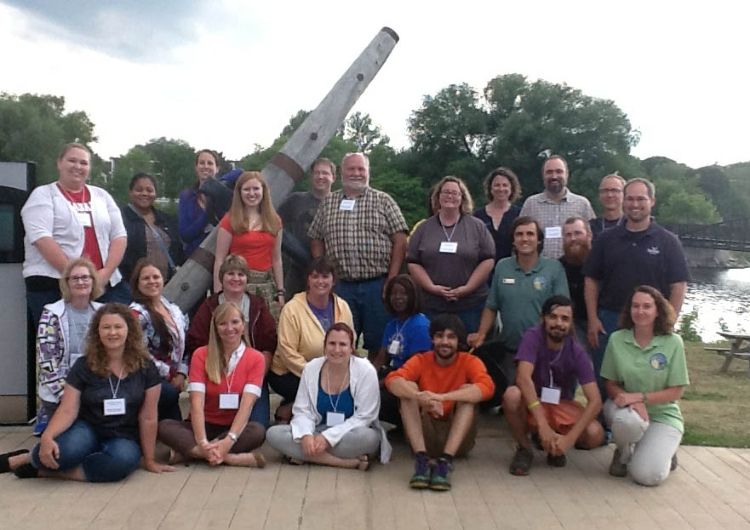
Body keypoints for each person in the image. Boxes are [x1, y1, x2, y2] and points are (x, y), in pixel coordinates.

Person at [0, 304, 173, 481]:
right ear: (97, 332)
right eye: (106, 327)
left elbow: (148, 416)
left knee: (122, 462)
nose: (112, 333)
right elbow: (67, 409)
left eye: (118, 327)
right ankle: (29, 457)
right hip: (87, 428)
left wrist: (150, 460)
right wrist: (47, 437)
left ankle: (46, 472)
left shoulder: (146, 367)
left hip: (124, 434)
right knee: (63, 452)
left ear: (130, 330)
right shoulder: (84, 365)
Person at [584, 178, 689, 401]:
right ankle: (604, 430)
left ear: (652, 201)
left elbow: (678, 285)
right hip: (610, 320)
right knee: (606, 380)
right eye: (630, 198)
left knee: (648, 378)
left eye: (641, 199)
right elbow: (591, 280)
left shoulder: (668, 241)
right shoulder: (605, 239)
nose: (634, 204)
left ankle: (647, 426)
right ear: (623, 201)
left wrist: (669, 321)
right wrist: (593, 319)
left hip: (650, 322)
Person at [309, 152, 408, 358]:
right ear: (342, 172)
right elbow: (316, 237)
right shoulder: (328, 203)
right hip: (341, 285)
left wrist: (392, 279)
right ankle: (346, 383)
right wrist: (322, 270)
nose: (356, 173)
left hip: (377, 285)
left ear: (368, 172)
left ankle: (374, 382)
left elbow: (400, 239)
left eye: (361, 169)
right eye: (351, 169)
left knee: (379, 340)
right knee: (341, 340)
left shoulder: (384, 200)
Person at [22, 142, 128, 328]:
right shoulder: (43, 195)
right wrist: (77, 277)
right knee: (58, 344)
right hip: (53, 284)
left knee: (111, 340)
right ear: (59, 163)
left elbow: (119, 236)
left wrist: (104, 274)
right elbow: (41, 237)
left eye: (84, 163)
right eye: (72, 161)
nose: (78, 167)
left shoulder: (102, 196)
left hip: (104, 285)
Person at [385, 314, 495, 491]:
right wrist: (420, 396)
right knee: (408, 389)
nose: (445, 342)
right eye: (439, 336)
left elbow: (487, 387)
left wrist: (442, 398)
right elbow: (392, 380)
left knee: (469, 394)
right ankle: (421, 460)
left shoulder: (469, 361)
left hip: (458, 439)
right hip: (425, 435)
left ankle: (446, 461)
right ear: (432, 339)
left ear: (458, 341)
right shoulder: (421, 360)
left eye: (451, 337)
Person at [469, 216, 569, 404]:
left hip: (543, 351)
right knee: (512, 398)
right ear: (513, 240)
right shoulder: (502, 266)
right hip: (511, 350)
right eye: (519, 234)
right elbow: (492, 306)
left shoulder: (554, 268)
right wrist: (481, 334)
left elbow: (562, 308)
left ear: (539, 239)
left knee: (543, 400)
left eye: (530, 234)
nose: (525, 239)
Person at [266, 322, 390, 469]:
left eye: (343, 344)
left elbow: (365, 416)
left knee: (369, 438)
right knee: (274, 434)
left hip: (350, 433)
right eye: (332, 343)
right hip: (317, 430)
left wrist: (328, 438)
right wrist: (306, 436)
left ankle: (302, 455)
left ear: (352, 348)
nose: (337, 350)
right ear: (325, 347)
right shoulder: (311, 368)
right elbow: (302, 410)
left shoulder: (365, 371)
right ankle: (346, 462)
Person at [503, 296, 603, 476]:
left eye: (565, 319)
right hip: (532, 403)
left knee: (595, 434)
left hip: (559, 404)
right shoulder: (532, 337)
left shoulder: (576, 351)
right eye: (553, 317)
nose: (559, 323)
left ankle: (555, 444)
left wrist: (569, 440)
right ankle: (525, 448)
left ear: (571, 324)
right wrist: (542, 425)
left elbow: (595, 401)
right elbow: (523, 378)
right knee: (512, 395)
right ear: (543, 319)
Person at [158, 303, 267, 467]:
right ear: (215, 328)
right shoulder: (201, 354)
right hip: (202, 425)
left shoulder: (256, 358)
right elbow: (196, 403)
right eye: (223, 323)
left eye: (235, 322)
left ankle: (192, 454)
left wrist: (229, 441)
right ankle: (230, 458)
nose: (229, 328)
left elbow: (247, 405)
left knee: (257, 431)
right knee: (164, 426)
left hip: (233, 427)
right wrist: (202, 441)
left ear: (243, 326)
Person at [601, 286, 689, 486]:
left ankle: (665, 451)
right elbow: (610, 383)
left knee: (647, 476)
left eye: (647, 306)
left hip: (663, 415)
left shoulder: (673, 342)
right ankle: (623, 454)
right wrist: (626, 399)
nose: (640, 311)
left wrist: (640, 398)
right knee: (626, 422)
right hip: (627, 410)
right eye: (635, 306)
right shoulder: (617, 339)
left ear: (658, 310)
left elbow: (677, 391)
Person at [187, 255, 277, 427]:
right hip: (216, 377)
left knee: (258, 426)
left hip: (251, 376)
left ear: (247, 278)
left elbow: (269, 343)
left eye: (241, 274)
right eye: (230, 274)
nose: (236, 278)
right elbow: (196, 342)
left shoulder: (258, 306)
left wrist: (254, 376)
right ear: (222, 277)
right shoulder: (209, 306)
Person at [268, 257, 354, 423]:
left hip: (332, 368)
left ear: (333, 280)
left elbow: (350, 342)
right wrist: (318, 374)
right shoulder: (292, 308)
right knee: (326, 390)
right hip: (291, 373)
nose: (320, 281)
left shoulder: (342, 306)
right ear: (307, 280)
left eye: (325, 276)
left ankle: (294, 407)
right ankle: (290, 410)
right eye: (315, 276)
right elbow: (287, 353)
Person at [407, 176, 495, 333]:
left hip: (470, 305)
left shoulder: (477, 226)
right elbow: (413, 262)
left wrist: (467, 288)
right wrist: (432, 287)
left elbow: (487, 260)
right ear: (438, 196)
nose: (450, 196)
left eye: (455, 193)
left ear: (462, 198)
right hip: (432, 304)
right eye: (446, 192)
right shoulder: (424, 228)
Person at [34, 258, 103, 435]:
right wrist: (64, 395)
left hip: (94, 389)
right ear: (67, 283)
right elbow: (46, 361)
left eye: (86, 277)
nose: (81, 282)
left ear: (93, 281)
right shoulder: (52, 313)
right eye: (75, 278)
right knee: (74, 441)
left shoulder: (103, 312)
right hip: (61, 391)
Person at [213, 171, 284, 315]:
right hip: (237, 285)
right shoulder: (230, 220)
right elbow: (220, 259)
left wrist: (280, 291)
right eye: (247, 189)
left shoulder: (274, 220)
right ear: (239, 192)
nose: (252, 193)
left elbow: (277, 259)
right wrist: (218, 293)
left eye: (256, 189)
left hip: (266, 287)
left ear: (263, 191)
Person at [129, 259, 189, 421]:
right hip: (147, 378)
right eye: (146, 278)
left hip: (174, 378)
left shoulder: (174, 309)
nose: (152, 282)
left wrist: (182, 373)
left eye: (156, 277)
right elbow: (139, 353)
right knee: (169, 394)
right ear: (137, 283)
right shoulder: (135, 314)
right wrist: (170, 374)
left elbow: (185, 346)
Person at [372, 274, 432, 425]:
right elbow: (381, 358)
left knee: (375, 399)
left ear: (413, 296)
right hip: (393, 374)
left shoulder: (421, 325)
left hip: (411, 381)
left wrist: (382, 383)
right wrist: (366, 378)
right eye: (394, 293)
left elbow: (416, 368)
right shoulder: (392, 325)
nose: (398, 297)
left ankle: (409, 425)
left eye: (403, 293)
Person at [277, 157, 336, 297]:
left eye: (325, 173)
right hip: (297, 269)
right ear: (311, 176)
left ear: (333, 177)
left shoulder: (340, 203)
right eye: (317, 173)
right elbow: (274, 223)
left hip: (328, 271)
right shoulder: (295, 200)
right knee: (290, 309)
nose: (321, 176)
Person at [519, 155, 595, 259]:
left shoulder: (582, 204)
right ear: (543, 176)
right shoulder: (531, 204)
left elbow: (593, 240)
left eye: (559, 171)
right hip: (540, 270)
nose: (554, 176)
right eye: (549, 172)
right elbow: (519, 239)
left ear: (567, 174)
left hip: (574, 269)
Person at [120, 173, 185, 284]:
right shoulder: (120, 218)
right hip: (131, 287)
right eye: (139, 190)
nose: (145, 193)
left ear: (155, 194)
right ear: (130, 192)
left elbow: (178, 250)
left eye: (149, 190)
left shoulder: (167, 220)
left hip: (167, 286)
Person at [473, 167, 522, 263]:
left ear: (511, 188)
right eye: (497, 185)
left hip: (512, 268)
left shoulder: (519, 214)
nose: (501, 189)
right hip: (483, 269)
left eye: (505, 185)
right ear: (490, 188)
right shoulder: (478, 216)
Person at [178, 149, 221, 256]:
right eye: (202, 163)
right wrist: (207, 214)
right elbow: (185, 235)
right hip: (194, 259)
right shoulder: (186, 196)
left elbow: (239, 171)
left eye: (210, 163)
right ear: (196, 167)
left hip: (220, 256)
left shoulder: (225, 194)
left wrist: (215, 186)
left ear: (217, 168)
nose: (205, 166)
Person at [559, 216, 593, 343]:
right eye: (568, 235)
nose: (573, 239)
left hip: (599, 321)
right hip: (572, 325)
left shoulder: (600, 262)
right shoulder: (559, 267)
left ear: (589, 235)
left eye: (578, 233)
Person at [590, 173, 626, 240]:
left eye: (614, 190)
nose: (609, 195)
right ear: (599, 195)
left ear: (625, 194)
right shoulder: (591, 227)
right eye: (605, 191)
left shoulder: (632, 225)